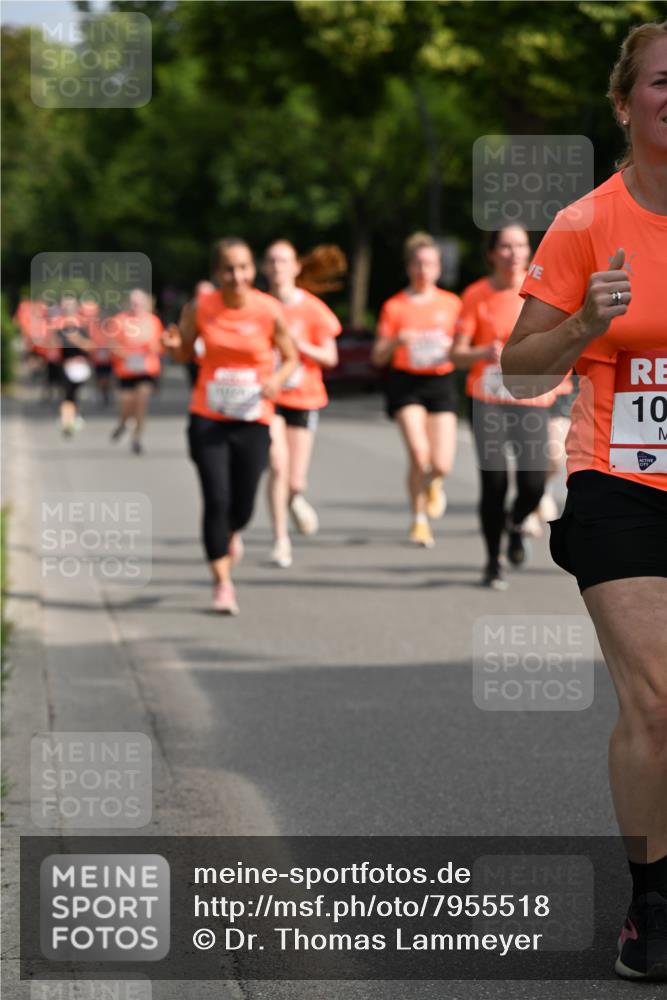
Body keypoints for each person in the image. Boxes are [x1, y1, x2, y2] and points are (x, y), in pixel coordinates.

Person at [502, 21, 667, 980]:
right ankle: (652, 904)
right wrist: (581, 324)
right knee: (656, 696)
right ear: (623, 102)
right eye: (662, 82)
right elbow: (520, 370)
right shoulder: (585, 223)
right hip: (620, 481)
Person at [163, 237, 298, 614]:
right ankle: (222, 582)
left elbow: (290, 357)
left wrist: (276, 380)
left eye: (243, 268)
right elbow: (184, 352)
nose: (237, 276)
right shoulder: (201, 307)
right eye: (228, 269)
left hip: (253, 418)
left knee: (242, 507)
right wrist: (172, 346)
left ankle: (232, 533)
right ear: (216, 272)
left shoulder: (268, 309)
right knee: (216, 498)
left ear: (253, 270)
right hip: (208, 416)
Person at [451, 224, 557, 589]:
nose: (513, 253)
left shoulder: (543, 289)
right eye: (506, 246)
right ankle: (492, 561)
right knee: (494, 482)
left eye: (520, 246)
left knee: (533, 484)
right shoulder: (476, 295)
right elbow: (456, 354)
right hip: (488, 399)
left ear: (529, 252)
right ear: (492, 253)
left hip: (531, 397)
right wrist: (482, 352)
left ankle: (515, 523)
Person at [372, 232, 462, 548]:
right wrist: (396, 341)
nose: (424, 270)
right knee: (419, 453)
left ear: (439, 267)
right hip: (406, 382)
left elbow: (464, 344)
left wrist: (455, 348)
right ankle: (419, 519)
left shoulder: (452, 304)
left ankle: (434, 484)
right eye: (418, 264)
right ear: (409, 267)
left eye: (430, 264)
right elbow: (378, 356)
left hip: (440, 382)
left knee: (442, 463)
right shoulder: (395, 306)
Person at [262, 241, 344, 568]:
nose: (278, 267)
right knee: (277, 466)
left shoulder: (313, 309)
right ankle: (280, 540)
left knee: (295, 480)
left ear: (296, 267)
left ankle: (295, 498)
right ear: (265, 268)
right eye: (272, 261)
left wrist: (299, 346)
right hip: (268, 397)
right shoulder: (259, 307)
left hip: (304, 397)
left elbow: (331, 357)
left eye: (284, 261)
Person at [108, 290, 164, 454]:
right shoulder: (119, 320)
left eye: (140, 302)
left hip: (146, 370)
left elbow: (160, 344)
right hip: (125, 370)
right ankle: (122, 423)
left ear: (146, 304)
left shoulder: (153, 321)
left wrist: (154, 348)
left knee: (141, 405)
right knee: (126, 405)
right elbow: (111, 344)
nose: (136, 306)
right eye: (133, 302)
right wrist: (125, 354)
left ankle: (136, 438)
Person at [49, 295, 95, 436]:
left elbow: (91, 347)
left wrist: (77, 339)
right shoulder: (57, 326)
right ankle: (67, 421)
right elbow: (51, 348)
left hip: (80, 366)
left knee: (75, 395)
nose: (68, 308)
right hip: (64, 366)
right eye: (65, 305)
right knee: (67, 395)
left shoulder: (83, 326)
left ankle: (73, 417)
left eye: (71, 305)